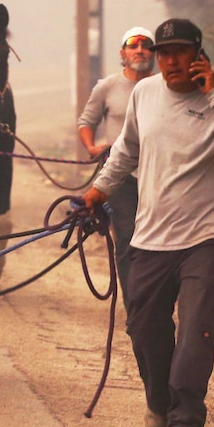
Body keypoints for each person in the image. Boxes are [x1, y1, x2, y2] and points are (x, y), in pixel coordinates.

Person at [81, 18, 214, 427]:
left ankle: (185, 420)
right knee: (143, 329)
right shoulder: (144, 94)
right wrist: (99, 188)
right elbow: (126, 148)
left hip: (205, 237)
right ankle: (159, 400)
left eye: (180, 52)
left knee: (197, 328)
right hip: (150, 237)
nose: (170, 61)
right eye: (164, 54)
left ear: (199, 55)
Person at [77, 26, 155, 311]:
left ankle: (155, 299)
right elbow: (87, 121)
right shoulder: (107, 86)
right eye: (133, 46)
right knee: (127, 236)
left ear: (153, 54)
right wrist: (91, 147)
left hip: (157, 177)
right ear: (123, 54)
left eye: (146, 45)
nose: (140, 50)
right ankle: (135, 305)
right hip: (119, 176)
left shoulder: (162, 87)